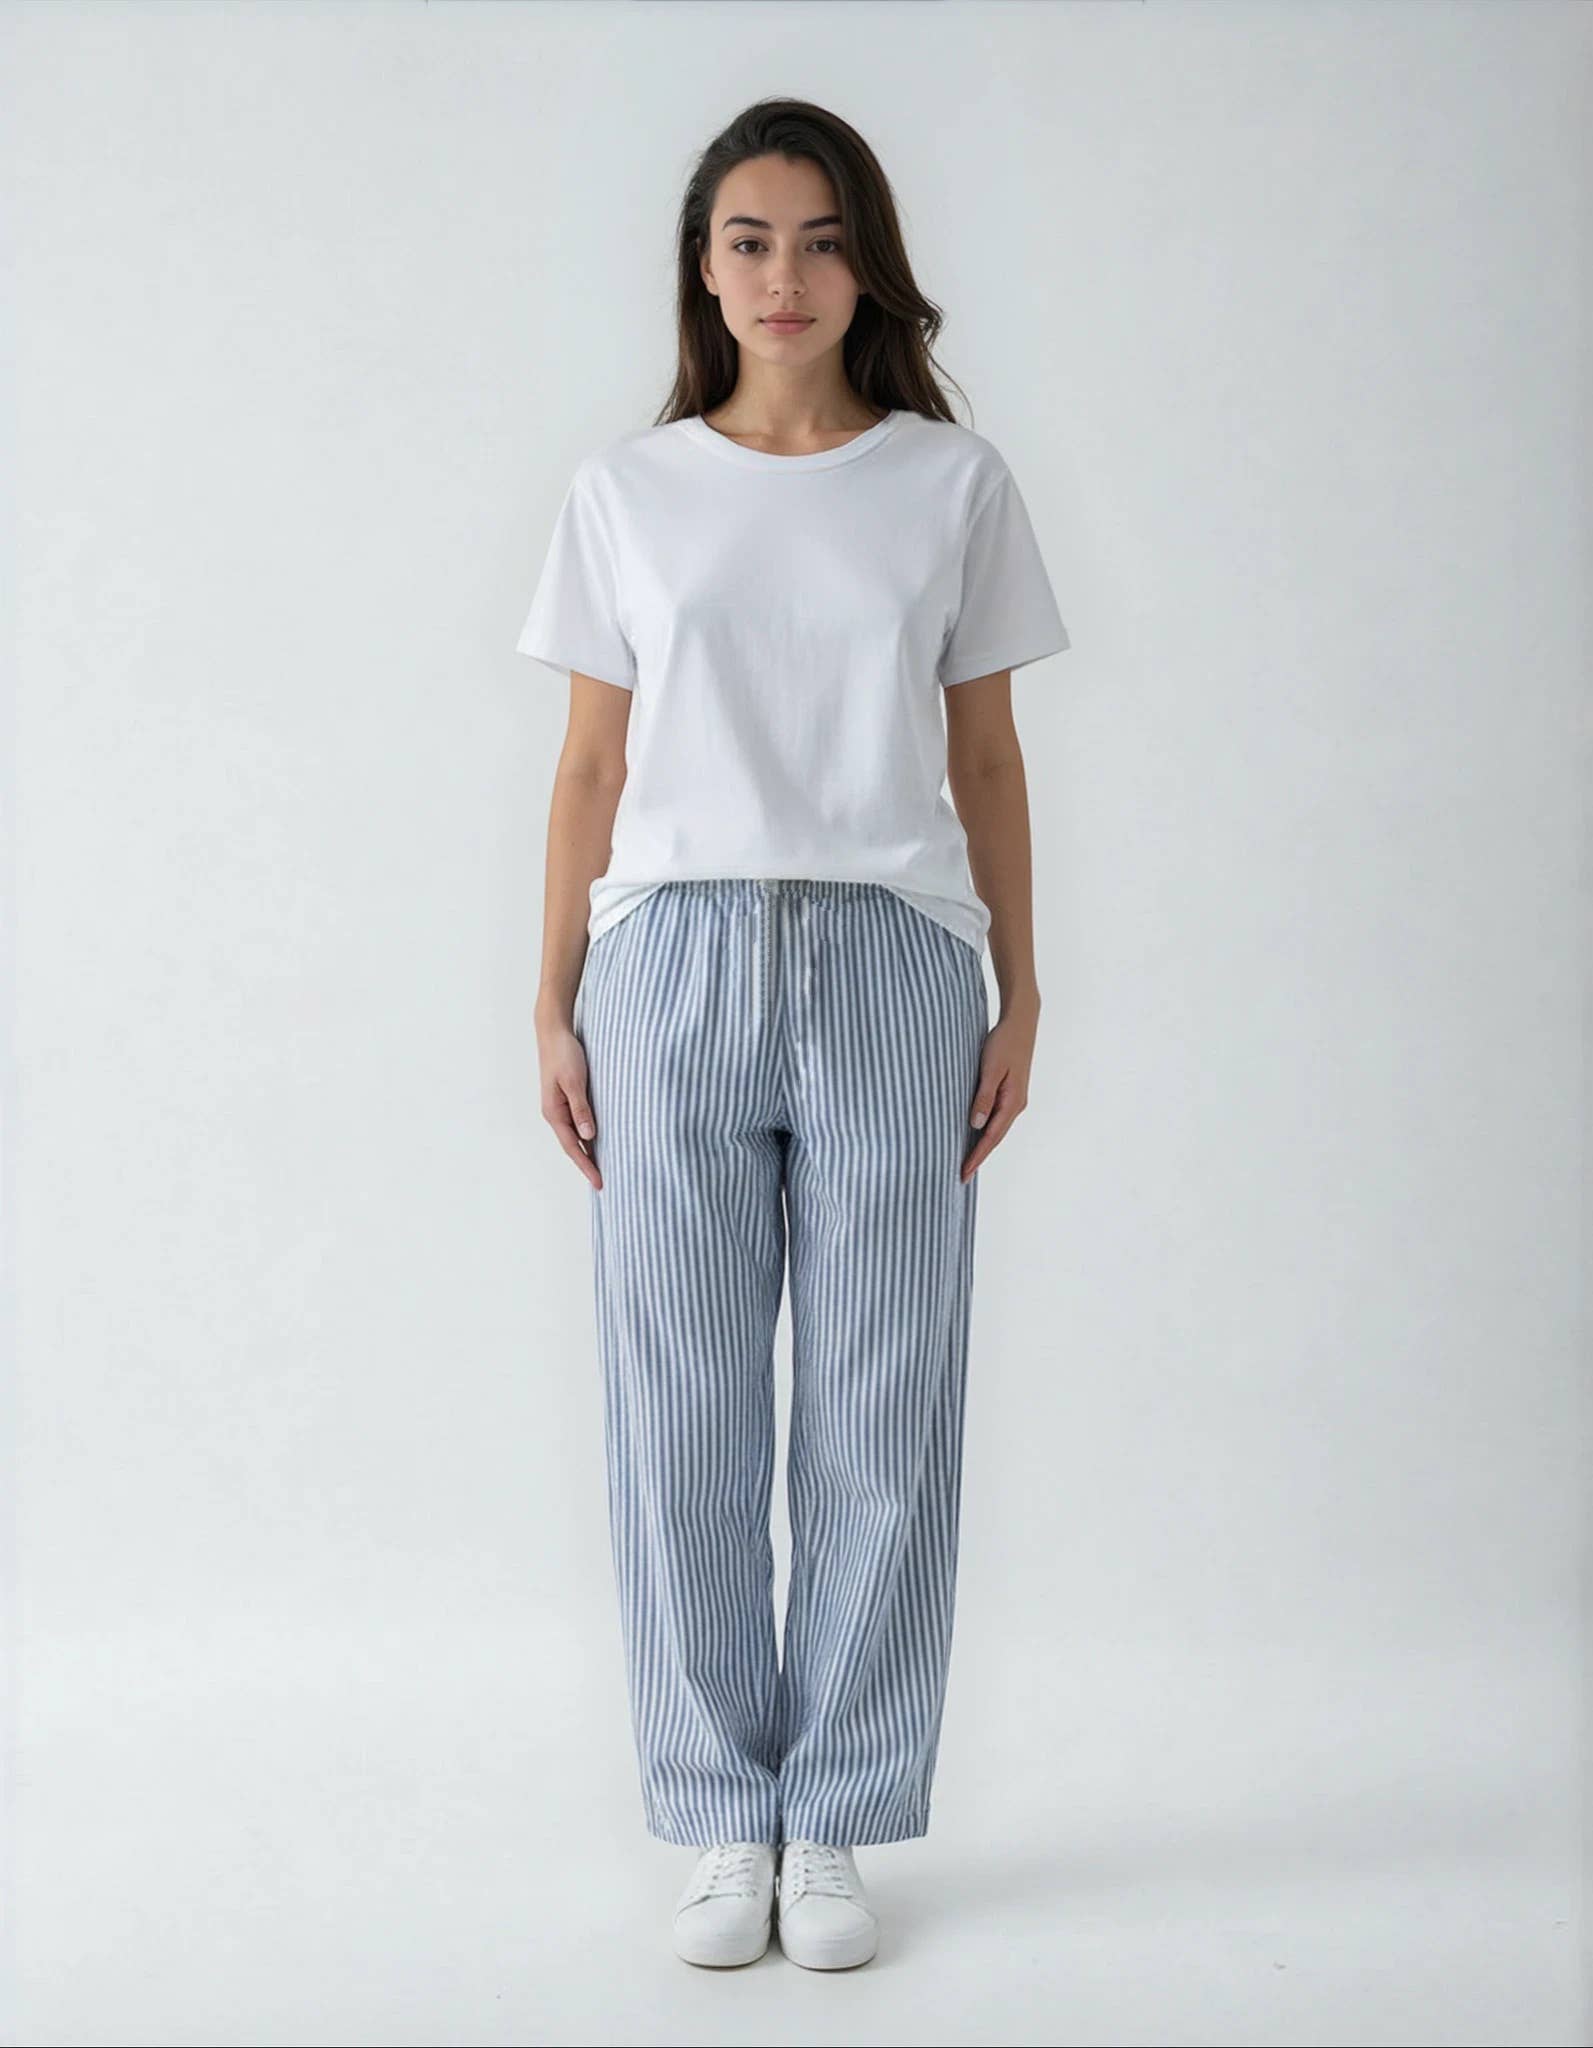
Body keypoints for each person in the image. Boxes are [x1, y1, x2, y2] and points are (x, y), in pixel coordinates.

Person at [517, 97, 1071, 1972]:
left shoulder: (949, 486)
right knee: (675, 1406)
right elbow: (588, 767)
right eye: (748, 239)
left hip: (895, 961)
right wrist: (550, 1002)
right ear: (701, 265)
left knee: (881, 1406)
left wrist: (1019, 987)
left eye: (822, 240)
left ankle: (831, 1807)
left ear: (868, 267)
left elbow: (986, 757)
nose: (784, 275)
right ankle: (714, 1810)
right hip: (666, 963)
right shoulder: (627, 491)